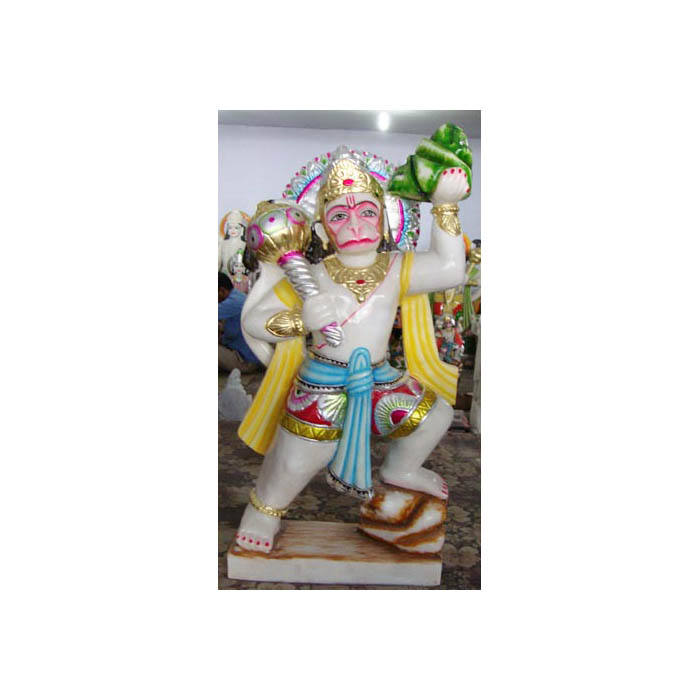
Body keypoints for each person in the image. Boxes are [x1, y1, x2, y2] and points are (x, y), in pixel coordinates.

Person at [234, 148, 469, 552]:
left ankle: (401, 470)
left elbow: (451, 269)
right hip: (323, 382)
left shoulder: (397, 267)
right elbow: (255, 321)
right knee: (296, 460)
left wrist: (445, 206)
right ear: (322, 227)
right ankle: (264, 511)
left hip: (379, 380)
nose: (356, 223)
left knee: (435, 417)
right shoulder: (312, 275)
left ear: (384, 218)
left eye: (367, 211)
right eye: (340, 215)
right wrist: (302, 320)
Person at [218, 273, 260, 374]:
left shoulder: (233, 303)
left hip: (245, 360)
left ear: (222, 291)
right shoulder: (237, 296)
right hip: (246, 352)